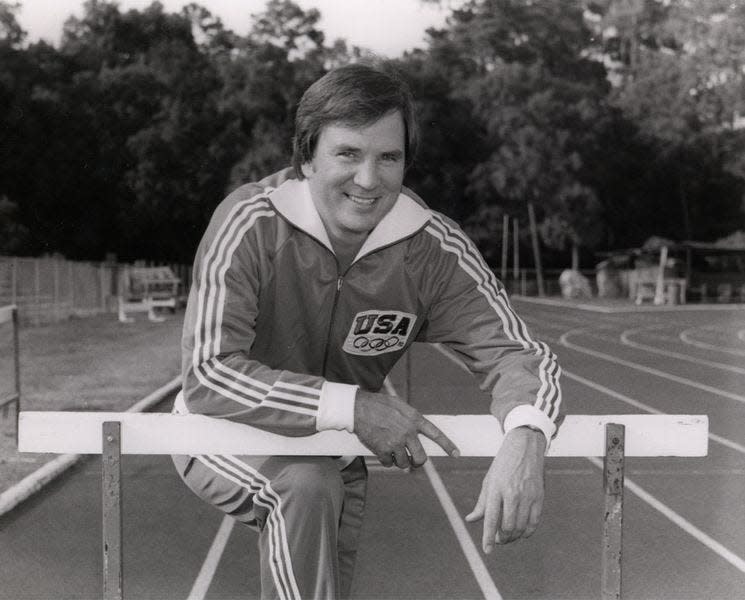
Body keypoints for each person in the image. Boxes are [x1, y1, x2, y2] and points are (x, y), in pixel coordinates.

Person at [172, 62, 562, 599]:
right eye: (348, 154)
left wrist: (526, 437)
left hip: (336, 453)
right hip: (224, 428)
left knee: (322, 511)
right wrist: (355, 407)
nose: (368, 179)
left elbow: (520, 353)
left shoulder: (429, 247)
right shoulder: (250, 223)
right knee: (306, 486)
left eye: (389, 157)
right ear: (307, 156)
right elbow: (208, 374)